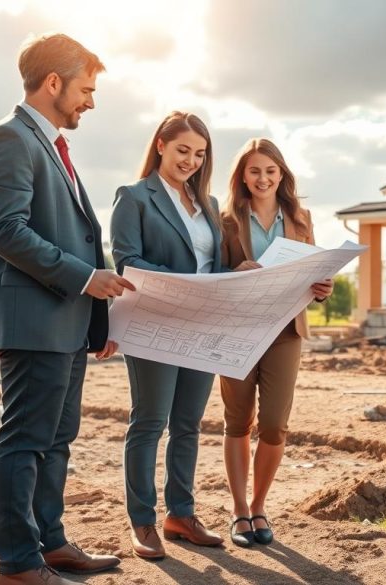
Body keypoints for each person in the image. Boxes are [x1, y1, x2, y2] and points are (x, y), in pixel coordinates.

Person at [0, 33, 133, 585]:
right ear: (55, 82)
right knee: (24, 441)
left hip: (65, 322)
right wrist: (87, 279)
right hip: (32, 320)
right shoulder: (7, 139)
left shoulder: (51, 146)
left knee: (57, 440)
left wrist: (97, 314)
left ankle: (50, 541)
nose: (91, 101)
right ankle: (17, 564)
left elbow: (74, 234)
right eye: (87, 89)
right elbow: (6, 232)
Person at [111, 112, 248, 559]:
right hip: (154, 321)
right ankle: (143, 521)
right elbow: (127, 261)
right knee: (150, 422)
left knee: (188, 424)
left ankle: (181, 514)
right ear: (161, 147)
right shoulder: (133, 197)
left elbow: (209, 268)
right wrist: (186, 286)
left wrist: (235, 273)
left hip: (201, 326)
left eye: (200, 153)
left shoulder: (207, 204)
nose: (191, 160)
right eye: (183, 150)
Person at [218, 138, 333, 547]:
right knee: (237, 421)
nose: (263, 178)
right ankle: (239, 512)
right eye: (254, 171)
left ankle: (260, 506)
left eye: (270, 170)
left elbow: (318, 274)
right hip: (239, 330)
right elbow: (214, 271)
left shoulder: (300, 218)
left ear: (281, 173)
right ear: (242, 176)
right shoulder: (227, 219)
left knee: (273, 425)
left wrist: (324, 286)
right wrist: (235, 271)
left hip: (285, 332)